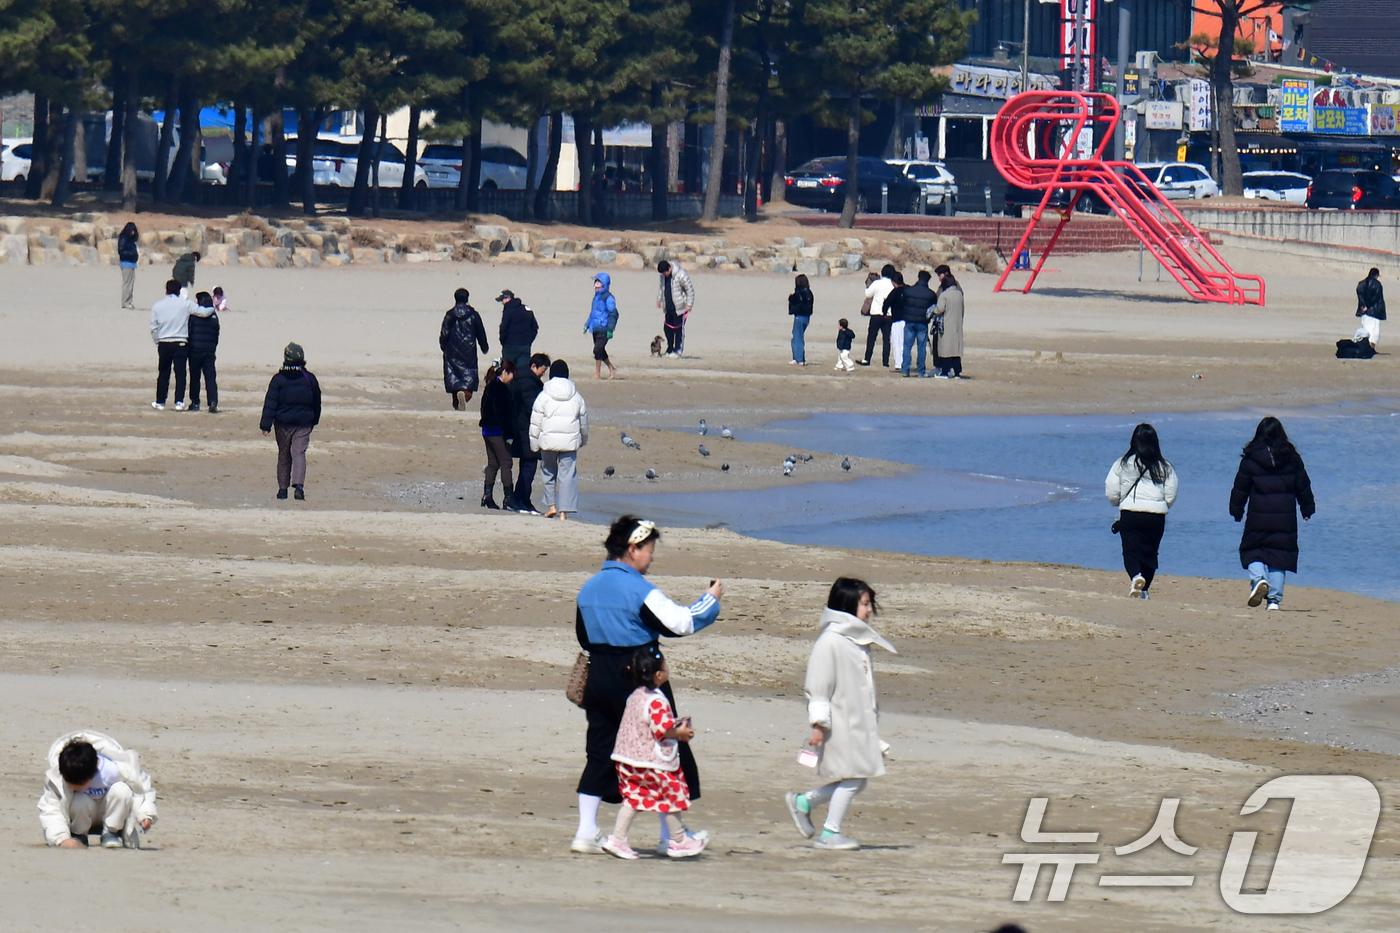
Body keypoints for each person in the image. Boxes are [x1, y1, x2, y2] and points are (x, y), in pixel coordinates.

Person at [572, 515, 723, 855]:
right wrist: (710, 598)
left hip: (598, 675)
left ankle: (585, 831)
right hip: (637, 677)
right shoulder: (639, 589)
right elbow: (681, 622)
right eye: (649, 550)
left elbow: (583, 636)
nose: (651, 557)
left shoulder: (588, 587)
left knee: (600, 749)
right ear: (633, 548)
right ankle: (673, 835)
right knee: (665, 750)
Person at [784, 578, 894, 851]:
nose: (869, 610)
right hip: (842, 723)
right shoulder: (831, 641)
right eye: (865, 604)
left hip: (858, 721)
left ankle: (804, 802)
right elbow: (818, 687)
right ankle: (830, 831)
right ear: (847, 605)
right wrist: (819, 725)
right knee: (856, 776)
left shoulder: (856, 640)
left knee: (858, 778)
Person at [602, 645, 707, 859]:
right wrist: (681, 733)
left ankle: (618, 838)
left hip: (627, 760)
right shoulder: (656, 700)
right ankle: (678, 840)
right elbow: (661, 729)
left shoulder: (635, 696)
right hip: (650, 762)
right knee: (670, 797)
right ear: (659, 674)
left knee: (633, 799)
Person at [1230, 416, 1314, 610]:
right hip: (1285, 516)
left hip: (1258, 515)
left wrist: (1236, 509)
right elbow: (1303, 484)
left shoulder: (1251, 458)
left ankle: (1259, 579)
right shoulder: (1292, 457)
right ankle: (1274, 600)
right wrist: (1307, 508)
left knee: (1252, 550)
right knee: (1280, 554)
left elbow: (1240, 487)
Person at [39, 732, 157, 849]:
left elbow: (143, 789)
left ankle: (111, 833)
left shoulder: (116, 770)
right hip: (79, 817)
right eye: (69, 784)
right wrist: (61, 838)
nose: (73, 787)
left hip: (110, 814)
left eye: (78, 785)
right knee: (80, 798)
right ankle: (79, 834)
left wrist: (146, 815)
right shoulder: (59, 776)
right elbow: (50, 808)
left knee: (122, 790)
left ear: (94, 773)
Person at [1105, 423, 1178, 599]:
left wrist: (1116, 502)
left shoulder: (1122, 463)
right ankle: (1144, 590)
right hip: (1156, 516)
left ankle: (1136, 577)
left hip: (1131, 513)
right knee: (1151, 552)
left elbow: (1111, 489)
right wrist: (1162, 505)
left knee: (1131, 550)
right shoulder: (1165, 466)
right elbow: (1171, 493)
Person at [260, 342, 322, 501]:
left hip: (283, 424)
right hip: (303, 423)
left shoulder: (278, 379)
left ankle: (282, 490)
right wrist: (314, 420)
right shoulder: (309, 378)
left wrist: (265, 425)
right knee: (299, 453)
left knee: (284, 455)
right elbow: (317, 402)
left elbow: (270, 403)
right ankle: (299, 486)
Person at [529, 359, 587, 520]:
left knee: (548, 472)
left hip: (548, 441)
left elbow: (535, 422)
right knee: (567, 475)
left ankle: (552, 506)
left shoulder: (543, 395)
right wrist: (583, 439)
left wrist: (534, 444)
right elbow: (584, 422)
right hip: (569, 442)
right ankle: (564, 512)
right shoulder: (576, 396)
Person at [149, 277, 211, 411]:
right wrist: (212, 309)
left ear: (166, 291)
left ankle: (160, 401)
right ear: (179, 291)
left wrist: (157, 341)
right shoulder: (185, 304)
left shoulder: (157, 306)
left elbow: (153, 327)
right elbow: (203, 312)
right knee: (180, 373)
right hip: (181, 343)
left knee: (163, 373)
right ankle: (179, 401)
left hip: (164, 343)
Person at [510, 353, 550, 514]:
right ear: (533, 366)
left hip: (522, 427)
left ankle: (522, 499)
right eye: (543, 370)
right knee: (529, 464)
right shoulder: (528, 382)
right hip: (526, 428)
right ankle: (521, 499)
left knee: (527, 465)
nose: (543, 373)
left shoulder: (523, 378)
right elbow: (532, 407)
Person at [440, 288, 489, 410]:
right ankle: (465, 395)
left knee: (453, 376)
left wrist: (443, 345)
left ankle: (457, 402)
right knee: (469, 376)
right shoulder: (473, 315)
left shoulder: (450, 314)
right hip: (469, 350)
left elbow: (444, 332)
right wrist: (484, 347)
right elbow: (480, 332)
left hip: (452, 350)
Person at [479, 359, 518, 510]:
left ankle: (487, 497)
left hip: (487, 431)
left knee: (493, 464)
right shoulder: (499, 388)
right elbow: (503, 413)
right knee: (506, 463)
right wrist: (509, 434)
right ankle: (508, 498)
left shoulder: (491, 386)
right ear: (505, 373)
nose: (513, 378)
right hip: (497, 432)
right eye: (512, 374)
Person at [898, 269, 937, 378]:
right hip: (922, 322)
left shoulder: (908, 291)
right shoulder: (930, 294)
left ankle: (905, 369)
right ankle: (921, 371)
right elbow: (933, 308)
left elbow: (903, 303)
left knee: (907, 346)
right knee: (921, 347)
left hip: (909, 321)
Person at [186, 291, 220, 413]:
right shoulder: (214, 317)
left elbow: (189, 333)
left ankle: (195, 402)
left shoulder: (194, 316)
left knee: (195, 377)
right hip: (209, 351)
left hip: (195, 350)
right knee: (210, 377)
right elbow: (216, 335)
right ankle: (213, 402)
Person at [931, 264, 965, 379]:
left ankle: (944, 370)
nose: (939, 278)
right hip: (956, 323)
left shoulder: (946, 291)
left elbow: (940, 308)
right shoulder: (958, 291)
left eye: (940, 275)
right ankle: (955, 371)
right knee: (955, 348)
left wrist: (932, 312)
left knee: (945, 348)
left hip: (946, 322)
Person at [656, 260, 695, 357]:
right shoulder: (663, 276)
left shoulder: (681, 275)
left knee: (678, 329)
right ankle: (670, 348)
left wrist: (689, 304)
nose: (664, 275)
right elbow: (662, 288)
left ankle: (678, 350)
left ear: (669, 268)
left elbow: (689, 290)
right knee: (667, 328)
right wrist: (659, 299)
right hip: (668, 306)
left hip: (680, 307)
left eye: (665, 272)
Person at [860, 265, 897, 367]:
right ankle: (885, 362)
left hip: (876, 313)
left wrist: (868, 285)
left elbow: (868, 294)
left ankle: (867, 359)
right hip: (889, 315)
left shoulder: (877, 283)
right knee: (886, 340)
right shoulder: (893, 284)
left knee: (871, 337)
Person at [585, 273, 619, 380]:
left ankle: (604, 370)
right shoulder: (596, 297)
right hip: (595, 327)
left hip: (604, 327)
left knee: (597, 349)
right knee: (599, 351)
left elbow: (613, 314)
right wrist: (587, 324)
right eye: (595, 282)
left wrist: (610, 329)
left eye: (599, 282)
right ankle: (606, 369)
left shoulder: (608, 298)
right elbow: (593, 313)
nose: (596, 284)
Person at [496, 289, 538, 371]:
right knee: (522, 371)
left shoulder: (508, 310)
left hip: (509, 346)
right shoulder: (526, 309)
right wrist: (528, 341)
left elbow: (503, 328)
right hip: (525, 346)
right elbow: (535, 328)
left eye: (503, 300)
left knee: (508, 371)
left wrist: (503, 341)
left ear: (508, 299)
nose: (502, 303)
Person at [788, 273, 814, 365]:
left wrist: (791, 298)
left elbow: (797, 304)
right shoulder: (809, 292)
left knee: (797, 337)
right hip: (807, 317)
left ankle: (799, 359)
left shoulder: (799, 292)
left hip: (799, 316)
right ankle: (798, 357)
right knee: (798, 336)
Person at [1356, 267, 1385, 348]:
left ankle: (1361, 344)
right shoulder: (1377, 285)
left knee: (1365, 328)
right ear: (1376, 275)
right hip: (1374, 311)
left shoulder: (1361, 284)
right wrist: (1367, 306)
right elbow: (1376, 298)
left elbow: (1360, 296)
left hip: (1364, 311)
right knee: (1374, 332)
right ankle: (1371, 348)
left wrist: (1364, 305)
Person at [118, 222, 139, 309]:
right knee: (127, 284)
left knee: (130, 284)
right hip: (126, 263)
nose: (133, 233)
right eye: (131, 231)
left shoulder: (131, 240)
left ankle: (129, 301)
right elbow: (121, 251)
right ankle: (125, 302)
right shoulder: (123, 239)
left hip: (132, 264)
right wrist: (131, 254)